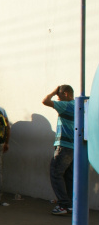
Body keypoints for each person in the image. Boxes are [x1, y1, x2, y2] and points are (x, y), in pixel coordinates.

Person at [43, 84, 75, 215]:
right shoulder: (76, 106)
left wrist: (53, 91)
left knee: (56, 173)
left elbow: (45, 101)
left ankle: (63, 205)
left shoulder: (65, 105)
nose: (58, 98)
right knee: (69, 176)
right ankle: (71, 205)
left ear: (65, 94)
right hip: (73, 147)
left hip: (64, 146)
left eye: (59, 95)